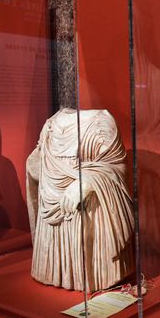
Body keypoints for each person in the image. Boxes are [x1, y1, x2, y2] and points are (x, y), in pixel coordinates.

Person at [26, 108, 134, 292]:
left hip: (88, 210)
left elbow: (118, 168)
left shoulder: (101, 123)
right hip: (51, 206)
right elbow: (36, 161)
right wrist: (38, 165)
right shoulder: (51, 124)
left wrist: (87, 182)